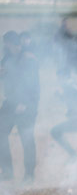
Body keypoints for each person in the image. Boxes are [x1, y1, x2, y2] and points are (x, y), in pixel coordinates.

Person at [0, 31, 40, 182]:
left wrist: (25, 103)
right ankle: (7, 172)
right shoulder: (8, 57)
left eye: (7, 44)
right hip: (10, 103)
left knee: (27, 139)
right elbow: (3, 72)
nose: (5, 47)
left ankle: (29, 175)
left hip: (27, 104)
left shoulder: (28, 59)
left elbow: (33, 84)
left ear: (13, 44)